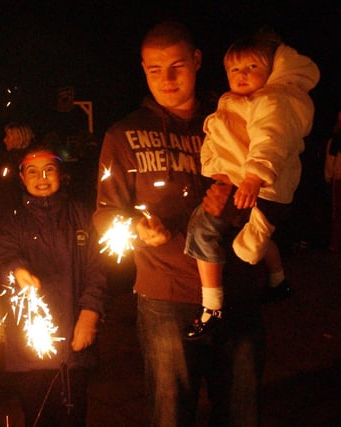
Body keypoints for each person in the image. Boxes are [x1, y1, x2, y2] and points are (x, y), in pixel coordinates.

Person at [93, 20, 265, 426]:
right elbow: (104, 213)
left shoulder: (234, 119)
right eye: (155, 70)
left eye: (177, 66)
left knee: (242, 411)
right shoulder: (124, 134)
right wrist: (135, 229)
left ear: (198, 61)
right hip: (165, 300)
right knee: (172, 414)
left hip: (236, 289)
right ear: (143, 69)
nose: (166, 79)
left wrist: (239, 205)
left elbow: (276, 184)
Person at [183, 31, 320, 337]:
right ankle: (278, 280)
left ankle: (212, 306)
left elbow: (270, 139)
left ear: (272, 71)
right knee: (257, 233)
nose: (241, 75)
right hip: (255, 185)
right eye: (234, 70)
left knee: (201, 228)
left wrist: (253, 177)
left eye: (252, 68)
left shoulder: (272, 100)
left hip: (255, 184)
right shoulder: (249, 101)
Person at [0, 144, 107, 426]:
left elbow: (98, 268)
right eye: (33, 171)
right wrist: (16, 271)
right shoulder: (11, 220)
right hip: (30, 351)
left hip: (75, 344)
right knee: (38, 416)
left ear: (61, 174)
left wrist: (91, 313)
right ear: (21, 178)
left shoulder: (81, 215)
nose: (41, 177)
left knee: (74, 416)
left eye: (48, 169)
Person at [0, 122, 35, 217]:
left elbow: (6, 188)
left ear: (18, 139)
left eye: (8, 137)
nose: (4, 140)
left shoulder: (11, 162)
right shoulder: (9, 159)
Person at [325, 109, 341, 253]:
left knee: (338, 214)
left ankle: (335, 244)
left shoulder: (334, 142)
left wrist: (328, 177)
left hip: (340, 180)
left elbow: (329, 163)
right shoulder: (334, 142)